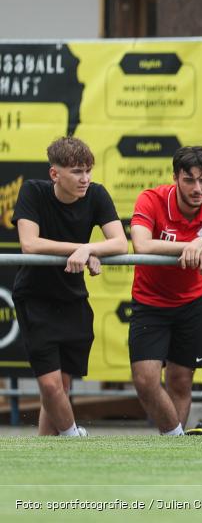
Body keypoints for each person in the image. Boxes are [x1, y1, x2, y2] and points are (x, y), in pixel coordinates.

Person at [12, 137, 127, 436]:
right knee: (49, 385)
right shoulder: (33, 192)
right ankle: (75, 439)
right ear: (55, 174)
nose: (85, 178)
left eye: (88, 170)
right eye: (77, 171)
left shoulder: (97, 194)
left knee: (59, 388)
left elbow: (120, 243)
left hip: (73, 300)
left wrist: (90, 251)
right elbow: (29, 244)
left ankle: (47, 453)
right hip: (35, 298)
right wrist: (82, 248)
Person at [129, 146, 202, 435]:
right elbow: (141, 244)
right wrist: (191, 246)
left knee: (181, 381)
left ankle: (171, 450)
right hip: (150, 302)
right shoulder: (151, 199)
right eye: (189, 180)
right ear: (175, 178)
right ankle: (176, 438)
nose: (197, 188)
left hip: (193, 303)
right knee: (145, 380)